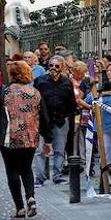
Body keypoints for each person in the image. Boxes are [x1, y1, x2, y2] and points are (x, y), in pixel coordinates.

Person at [0, 62, 47, 218]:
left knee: (12, 170)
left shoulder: (5, 92)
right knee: (27, 168)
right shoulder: (35, 92)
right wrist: (47, 139)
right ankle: (31, 197)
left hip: (10, 136)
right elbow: (44, 116)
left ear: (12, 74)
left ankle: (20, 207)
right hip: (30, 137)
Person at [33, 57, 77, 186]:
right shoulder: (40, 81)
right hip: (42, 120)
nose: (53, 68)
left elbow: (71, 102)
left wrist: (68, 116)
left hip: (60, 120)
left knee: (59, 148)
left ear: (62, 67)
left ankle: (57, 175)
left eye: (56, 66)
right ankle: (40, 177)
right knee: (40, 149)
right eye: (51, 65)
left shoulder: (66, 82)